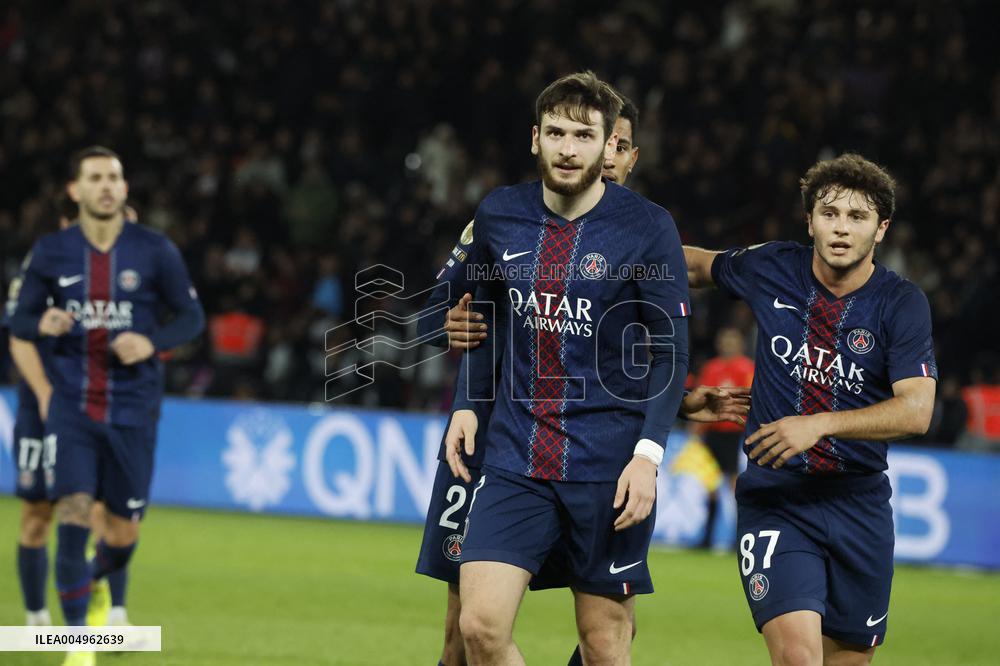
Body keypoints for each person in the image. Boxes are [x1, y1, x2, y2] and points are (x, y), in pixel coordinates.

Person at [433, 71, 689, 665]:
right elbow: (480, 317)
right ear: (535, 139)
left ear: (608, 145)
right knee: (479, 627)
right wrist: (469, 403)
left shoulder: (648, 227)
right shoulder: (500, 213)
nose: (568, 148)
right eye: (556, 133)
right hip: (515, 454)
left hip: (607, 464)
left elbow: (670, 352)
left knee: (604, 645)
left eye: (583, 135)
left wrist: (648, 457)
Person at [683, 153, 936, 665]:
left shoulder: (901, 303)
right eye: (829, 213)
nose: (841, 228)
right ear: (809, 220)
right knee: (799, 658)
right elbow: (692, 264)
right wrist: (613, 250)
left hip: (860, 505)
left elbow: (916, 410)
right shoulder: (773, 266)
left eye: (858, 216)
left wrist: (819, 425)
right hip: (777, 497)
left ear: (881, 229)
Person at [9, 146, 205, 666]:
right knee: (72, 514)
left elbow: (192, 317)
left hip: (134, 410)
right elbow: (18, 321)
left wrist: (152, 342)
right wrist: (41, 322)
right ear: (75, 190)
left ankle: (94, 584)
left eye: (114, 177)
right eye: (95, 177)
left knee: (121, 533)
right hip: (71, 407)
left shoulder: (155, 249)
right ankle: (78, 645)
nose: (106, 186)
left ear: (124, 188)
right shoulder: (51, 251)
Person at [695, 327, 754, 550]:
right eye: (724, 340)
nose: (727, 344)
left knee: (734, 486)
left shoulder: (747, 368)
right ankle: (707, 538)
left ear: (740, 344)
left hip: (734, 433)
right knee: (710, 485)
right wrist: (696, 431)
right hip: (712, 433)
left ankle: (739, 539)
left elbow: (752, 399)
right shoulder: (711, 367)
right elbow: (700, 401)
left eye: (731, 340)